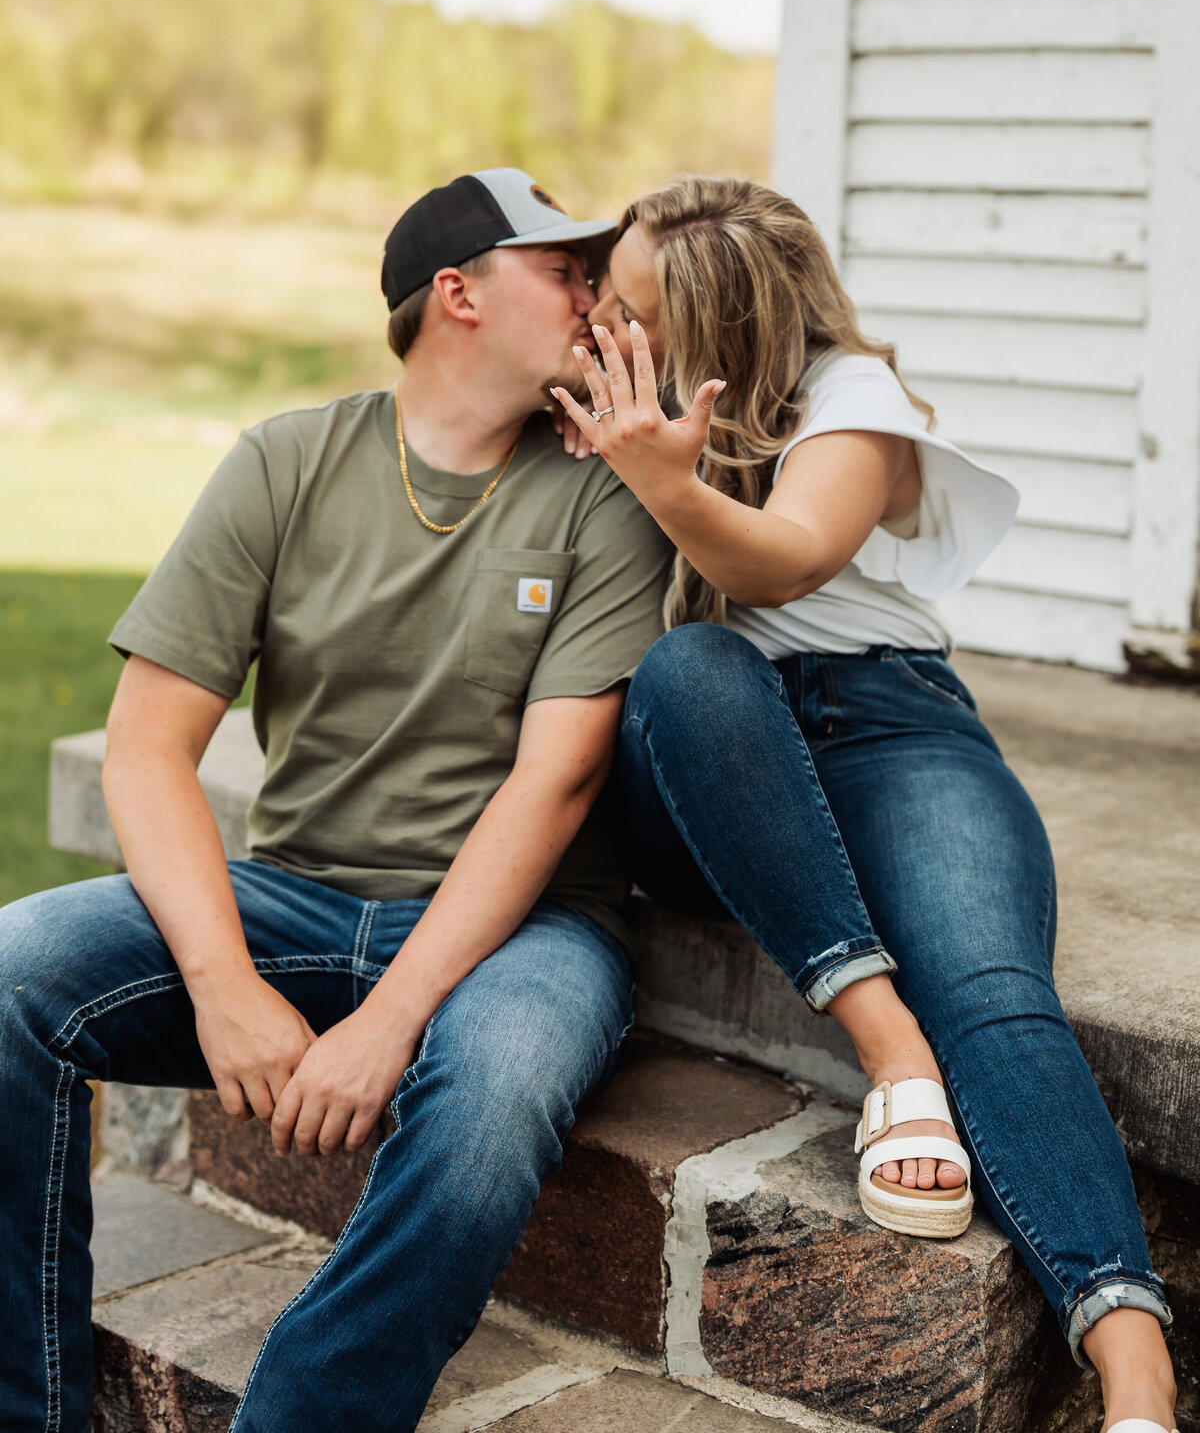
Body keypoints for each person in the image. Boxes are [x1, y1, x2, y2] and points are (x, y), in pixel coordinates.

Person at [0, 169, 672, 1433]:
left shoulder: (604, 493)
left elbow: (558, 776)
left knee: (489, 1106)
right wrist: (220, 982)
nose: (597, 297)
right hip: (295, 895)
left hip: (525, 934)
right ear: (457, 294)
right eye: (565, 271)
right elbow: (148, 748)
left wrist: (396, 1013)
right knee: (10, 974)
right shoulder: (286, 463)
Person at [552, 175, 1178, 1433]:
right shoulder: (619, 392)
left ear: (718, 323)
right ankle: (894, 1055)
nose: (602, 327)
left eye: (632, 309)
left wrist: (665, 483)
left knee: (996, 992)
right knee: (692, 667)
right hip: (707, 762)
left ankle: (1139, 1386)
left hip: (890, 725)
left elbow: (786, 559)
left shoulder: (851, 398)